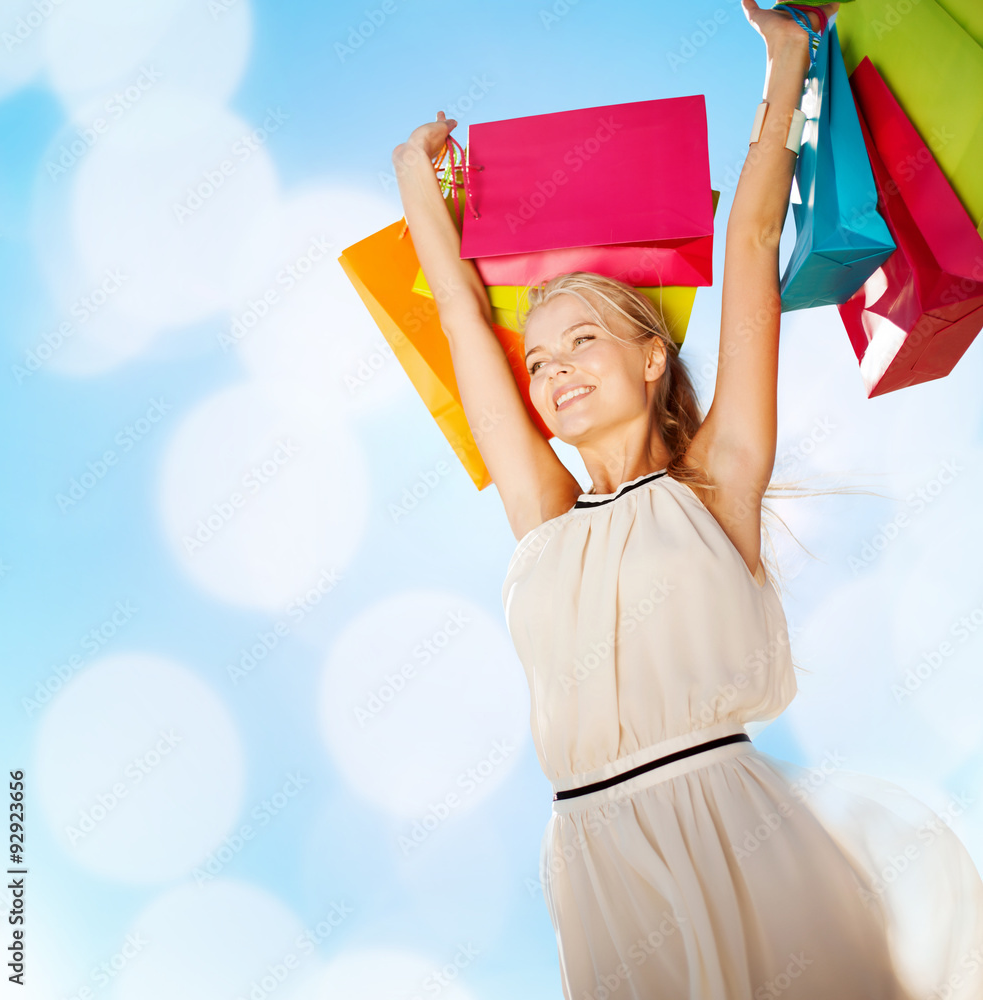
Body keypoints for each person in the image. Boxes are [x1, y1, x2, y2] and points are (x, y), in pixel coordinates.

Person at [391, 2, 983, 997]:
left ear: (649, 351)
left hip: (726, 823)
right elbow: (456, 313)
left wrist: (785, 62)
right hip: (590, 854)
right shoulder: (543, 513)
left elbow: (746, 241)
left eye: (582, 341)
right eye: (536, 361)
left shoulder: (714, 479)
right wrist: (417, 188)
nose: (553, 372)